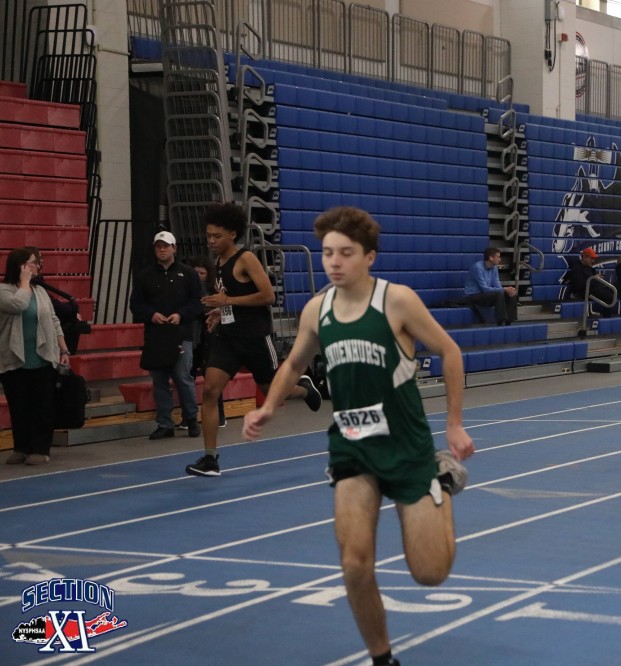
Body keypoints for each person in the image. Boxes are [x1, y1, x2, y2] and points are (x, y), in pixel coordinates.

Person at [242, 206, 474, 666]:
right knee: (353, 564)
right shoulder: (317, 309)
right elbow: (294, 362)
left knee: (429, 573)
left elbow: (450, 351)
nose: (334, 261)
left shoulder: (398, 301)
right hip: (351, 447)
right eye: (328, 252)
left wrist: (453, 423)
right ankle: (382, 659)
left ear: (369, 257)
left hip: (407, 449)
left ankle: (442, 480)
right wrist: (268, 407)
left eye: (345, 252)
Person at [186, 202, 323, 477]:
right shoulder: (217, 263)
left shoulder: (246, 258)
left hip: (255, 338)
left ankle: (304, 389)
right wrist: (220, 311)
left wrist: (227, 301)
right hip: (228, 338)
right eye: (208, 235)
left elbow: (268, 296)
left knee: (271, 390)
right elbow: (232, 299)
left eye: (217, 236)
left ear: (232, 234)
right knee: (210, 390)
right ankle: (210, 459)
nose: (211, 241)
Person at [129, 231, 204, 440]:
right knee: (159, 380)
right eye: (158, 246)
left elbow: (198, 302)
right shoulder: (144, 276)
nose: (162, 249)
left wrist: (181, 315)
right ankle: (164, 423)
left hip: (181, 334)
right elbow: (136, 304)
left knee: (183, 377)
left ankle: (191, 419)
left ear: (174, 248)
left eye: (165, 246)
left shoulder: (188, 274)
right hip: (156, 335)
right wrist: (151, 315)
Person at [0, 247, 71, 465]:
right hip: (14, 359)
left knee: (42, 405)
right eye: (32, 262)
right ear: (20, 266)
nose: (37, 266)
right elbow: (18, 305)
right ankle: (22, 447)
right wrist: (24, 282)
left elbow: (53, 319)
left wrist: (63, 349)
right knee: (19, 406)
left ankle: (41, 449)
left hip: (42, 357)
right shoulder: (4, 291)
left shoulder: (39, 291)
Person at [188, 255, 227, 428]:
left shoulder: (214, 289)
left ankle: (220, 415)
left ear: (208, 274)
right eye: (195, 272)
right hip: (193, 336)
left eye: (202, 273)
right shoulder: (187, 288)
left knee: (211, 379)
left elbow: (221, 309)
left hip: (211, 337)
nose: (198, 276)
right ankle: (189, 417)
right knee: (188, 375)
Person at [461, 247, 518, 325]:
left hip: (485, 295)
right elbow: (485, 289)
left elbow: (497, 285)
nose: (500, 259)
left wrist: (508, 291)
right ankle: (500, 321)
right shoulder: (477, 267)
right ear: (491, 258)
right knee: (499, 294)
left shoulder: (494, 268)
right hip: (472, 296)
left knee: (512, 294)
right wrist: (504, 289)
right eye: (498, 257)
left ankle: (509, 321)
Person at [566, 247, 616, 314]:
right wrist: (593, 279)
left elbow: (593, 279)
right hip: (586, 292)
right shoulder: (576, 268)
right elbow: (579, 286)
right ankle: (607, 317)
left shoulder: (589, 267)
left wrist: (597, 279)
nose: (593, 261)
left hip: (594, 288)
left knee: (613, 290)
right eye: (591, 258)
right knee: (609, 297)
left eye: (594, 259)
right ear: (584, 257)